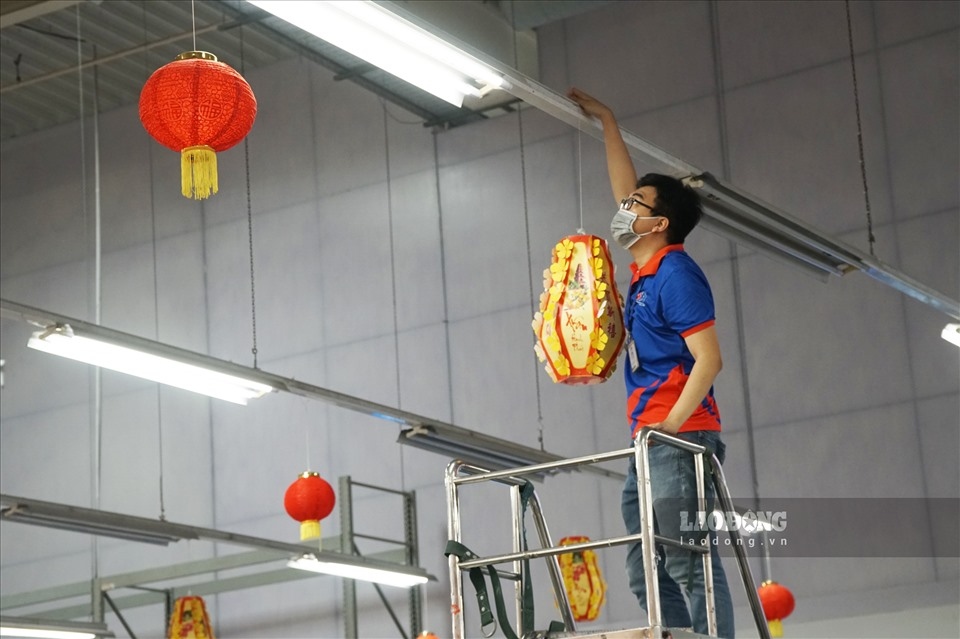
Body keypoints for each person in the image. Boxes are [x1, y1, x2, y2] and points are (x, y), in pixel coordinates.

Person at [567, 87, 735, 638]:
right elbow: (624, 185)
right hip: (650, 435)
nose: (623, 210)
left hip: (679, 433)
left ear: (659, 224)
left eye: (635, 207)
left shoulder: (676, 275)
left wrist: (670, 426)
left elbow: (708, 361)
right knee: (643, 564)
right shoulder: (644, 273)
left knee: (687, 559)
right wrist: (608, 121)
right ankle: (680, 634)